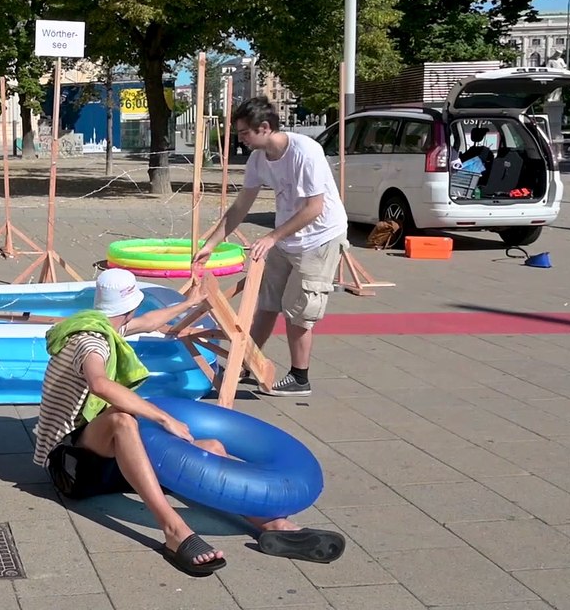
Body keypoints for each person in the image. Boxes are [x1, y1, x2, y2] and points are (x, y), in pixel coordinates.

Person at [33, 267, 346, 576]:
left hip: (106, 464)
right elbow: (100, 384)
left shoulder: (106, 326)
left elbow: (148, 322)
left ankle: (271, 524)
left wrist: (188, 302)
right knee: (122, 420)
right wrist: (163, 418)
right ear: (131, 305)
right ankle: (174, 531)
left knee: (211, 446)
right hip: (71, 467)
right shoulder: (92, 342)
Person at [194, 97, 349, 398]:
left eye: (243, 133)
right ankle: (244, 363)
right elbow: (240, 207)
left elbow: (314, 208)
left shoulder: (306, 152)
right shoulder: (258, 160)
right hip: (286, 236)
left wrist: (272, 237)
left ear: (264, 128)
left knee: (299, 310)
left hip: (319, 237)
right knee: (266, 303)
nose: (240, 139)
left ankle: (299, 377)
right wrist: (210, 244)